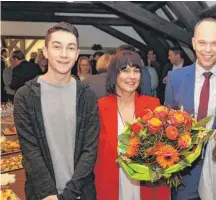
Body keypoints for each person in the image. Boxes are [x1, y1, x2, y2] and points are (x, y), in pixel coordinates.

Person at [13, 22, 99, 200]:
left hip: (80, 193)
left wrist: (66, 196)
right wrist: (49, 194)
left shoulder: (87, 96)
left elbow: (89, 150)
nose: (63, 54)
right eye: (57, 47)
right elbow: (31, 152)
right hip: (42, 194)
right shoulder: (25, 96)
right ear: (45, 51)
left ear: (76, 55)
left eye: (70, 48)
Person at [165, 18, 216, 200]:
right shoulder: (175, 79)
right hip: (185, 177)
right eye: (202, 43)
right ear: (193, 43)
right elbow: (167, 127)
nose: (208, 50)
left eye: (214, 44)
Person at [94, 50, 170, 200]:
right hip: (110, 187)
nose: (132, 76)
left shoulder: (152, 105)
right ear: (114, 74)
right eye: (125, 71)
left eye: (136, 71)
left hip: (146, 188)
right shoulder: (99, 108)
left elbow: (163, 156)